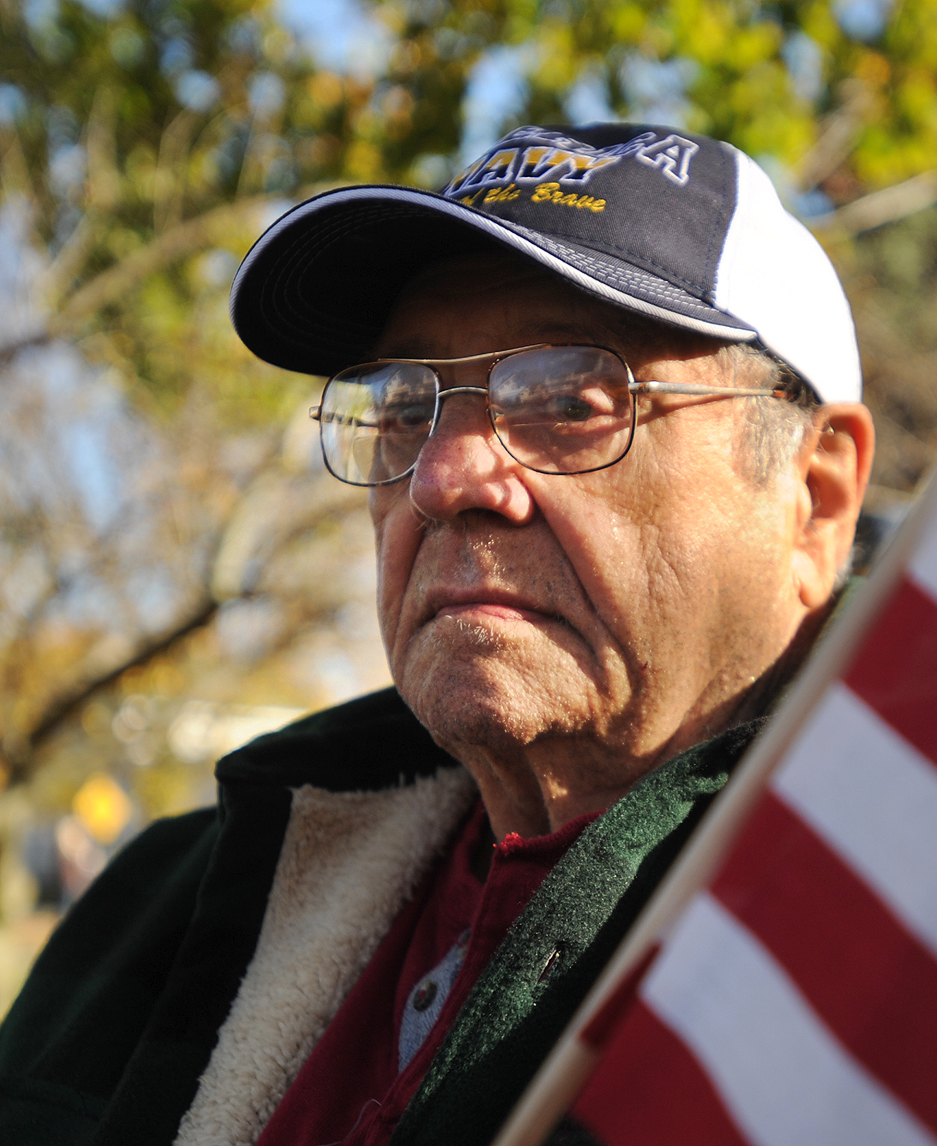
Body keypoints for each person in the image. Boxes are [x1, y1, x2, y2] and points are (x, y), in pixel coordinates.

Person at [0, 123, 874, 1146]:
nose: (442, 477)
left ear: (813, 500)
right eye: (406, 405)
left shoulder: (918, 938)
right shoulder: (171, 901)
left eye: (568, 398)